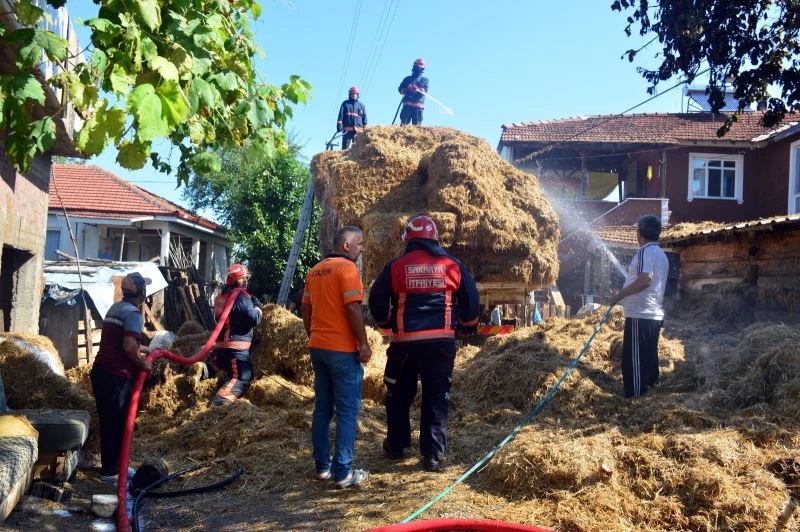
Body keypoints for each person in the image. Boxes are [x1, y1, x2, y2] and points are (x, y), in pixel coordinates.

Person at [368, 215, 480, 472]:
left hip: (404, 345)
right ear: (435, 238)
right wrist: (465, 328)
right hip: (440, 345)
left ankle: (396, 447)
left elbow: (376, 301)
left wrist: (387, 325)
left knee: (398, 395)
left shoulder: (396, 266)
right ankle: (432, 456)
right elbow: (472, 303)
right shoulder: (452, 265)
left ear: (408, 239)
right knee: (436, 397)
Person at [302, 226, 372, 488]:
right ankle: (343, 473)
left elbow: (305, 310)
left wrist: (314, 335)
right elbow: (353, 308)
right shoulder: (348, 269)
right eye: (360, 244)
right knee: (346, 411)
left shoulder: (315, 271)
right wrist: (363, 344)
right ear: (346, 246)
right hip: (342, 351)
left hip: (318, 347)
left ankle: (322, 468)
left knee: (322, 408)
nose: (362, 249)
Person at [90, 272, 153, 484]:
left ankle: (116, 466)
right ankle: (112, 473)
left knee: (109, 421)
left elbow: (122, 341)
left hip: (102, 372)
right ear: (141, 292)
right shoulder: (133, 313)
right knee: (117, 423)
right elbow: (128, 347)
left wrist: (148, 348)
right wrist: (145, 364)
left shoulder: (116, 308)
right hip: (116, 376)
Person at [607, 215, 669, 398]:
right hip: (653, 315)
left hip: (640, 315)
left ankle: (634, 399)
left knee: (632, 361)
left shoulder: (645, 252)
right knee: (649, 359)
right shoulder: (662, 255)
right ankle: (650, 396)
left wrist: (619, 296)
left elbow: (645, 279)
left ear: (639, 233)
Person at [207, 263, 263, 406]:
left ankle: (203, 370)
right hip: (236, 349)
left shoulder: (221, 296)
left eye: (246, 278)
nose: (245, 281)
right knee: (241, 376)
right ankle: (220, 403)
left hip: (221, 347)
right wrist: (257, 308)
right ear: (233, 280)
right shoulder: (241, 296)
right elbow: (253, 318)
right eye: (241, 278)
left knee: (219, 368)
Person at [397, 58, 429, 125]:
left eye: (420, 68)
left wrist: (417, 89)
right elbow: (400, 90)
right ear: (414, 67)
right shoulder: (407, 79)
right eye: (418, 67)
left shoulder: (424, 80)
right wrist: (407, 89)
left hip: (418, 108)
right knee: (404, 127)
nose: (419, 70)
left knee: (417, 129)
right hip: (407, 107)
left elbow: (425, 91)